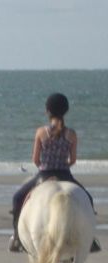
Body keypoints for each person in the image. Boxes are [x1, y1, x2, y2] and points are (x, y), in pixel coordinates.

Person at [9, 93, 100, 253]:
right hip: (65, 175)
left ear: (47, 111)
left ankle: (17, 237)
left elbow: (35, 159)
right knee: (89, 200)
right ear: (66, 111)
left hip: (43, 175)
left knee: (17, 199)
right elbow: (72, 160)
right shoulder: (71, 134)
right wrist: (63, 163)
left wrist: (44, 164)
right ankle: (90, 239)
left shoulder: (41, 132)